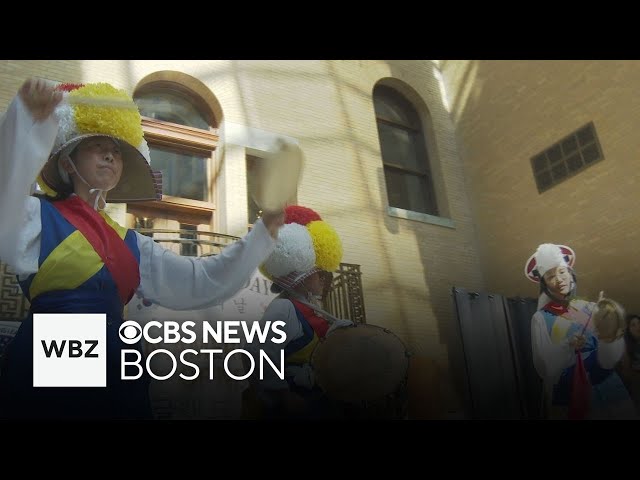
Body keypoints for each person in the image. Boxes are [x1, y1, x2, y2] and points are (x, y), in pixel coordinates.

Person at [0, 78, 284, 419]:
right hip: (58, 349)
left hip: (120, 359)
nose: (110, 154)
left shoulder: (132, 243)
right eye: (96, 145)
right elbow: (7, 188)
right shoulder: (37, 216)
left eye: (117, 150)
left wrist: (260, 235)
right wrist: (26, 121)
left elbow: (201, 279)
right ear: (66, 163)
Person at [244, 205, 352, 419]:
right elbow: (257, 352)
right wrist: (284, 396)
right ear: (301, 278)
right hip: (294, 403)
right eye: (318, 275)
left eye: (325, 276)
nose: (324, 280)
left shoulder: (317, 312)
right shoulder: (283, 307)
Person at [525, 243, 635, 419]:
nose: (559, 279)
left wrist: (611, 331)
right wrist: (568, 345)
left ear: (570, 274)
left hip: (610, 388)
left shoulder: (591, 308)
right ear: (544, 284)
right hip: (574, 395)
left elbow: (611, 356)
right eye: (550, 276)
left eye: (562, 272)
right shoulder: (541, 318)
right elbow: (543, 366)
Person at [617, 313, 640, 415]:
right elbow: (627, 374)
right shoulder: (626, 346)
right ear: (628, 330)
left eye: (639, 323)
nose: (638, 327)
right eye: (633, 325)